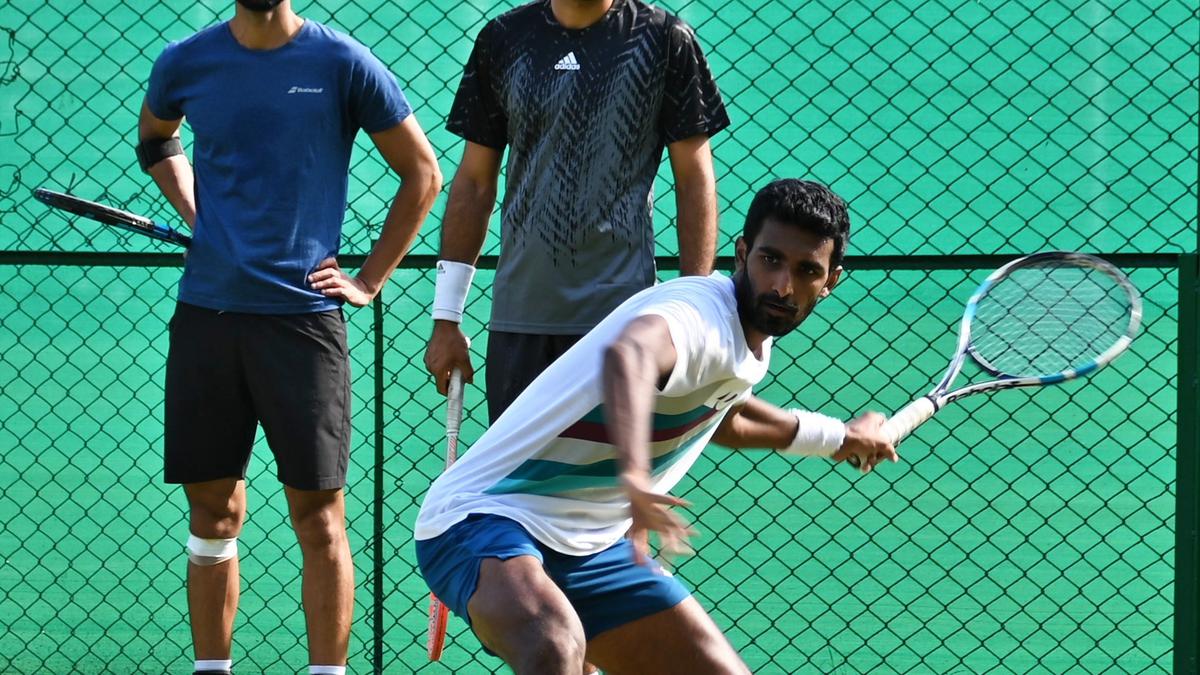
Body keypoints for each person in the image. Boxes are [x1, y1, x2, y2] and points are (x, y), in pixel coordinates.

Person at [414, 179, 899, 674]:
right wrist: (635, 478)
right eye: (770, 260)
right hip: (483, 519)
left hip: (590, 548)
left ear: (831, 280)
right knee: (553, 645)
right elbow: (628, 356)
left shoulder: (748, 344)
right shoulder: (697, 316)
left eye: (806, 271)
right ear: (741, 253)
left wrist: (840, 437)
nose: (782, 286)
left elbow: (728, 417)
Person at [137, 1, 442, 674]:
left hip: (304, 325)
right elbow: (156, 137)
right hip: (207, 319)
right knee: (213, 512)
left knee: (319, 516)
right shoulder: (184, 62)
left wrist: (369, 279)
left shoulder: (342, 63)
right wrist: (196, 209)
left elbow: (423, 172)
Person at [423, 0, 730, 423]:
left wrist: (693, 308)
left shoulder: (665, 38)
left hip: (621, 325)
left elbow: (694, 177)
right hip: (519, 323)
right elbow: (474, 184)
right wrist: (446, 319)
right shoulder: (503, 38)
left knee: (607, 488)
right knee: (515, 488)